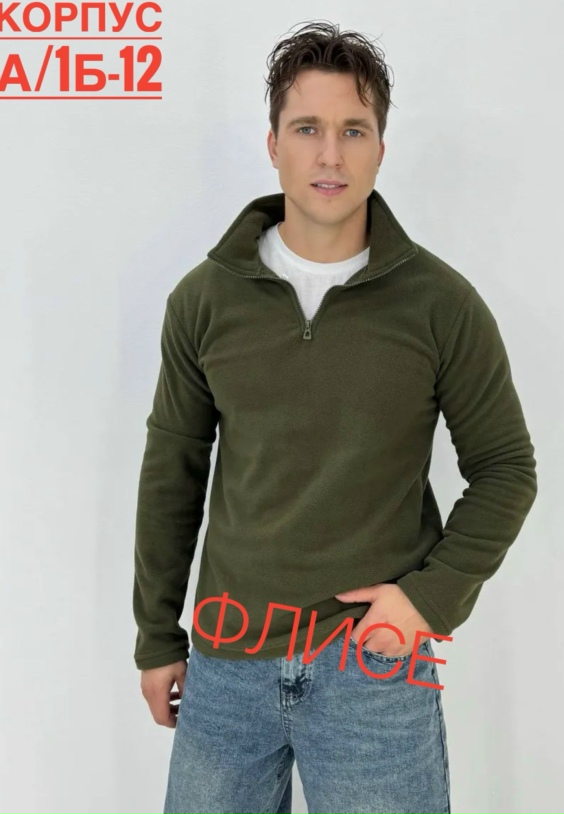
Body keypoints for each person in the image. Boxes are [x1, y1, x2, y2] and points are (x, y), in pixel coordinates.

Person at [133, 19, 538, 814]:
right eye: (307, 129)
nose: (330, 154)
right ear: (273, 144)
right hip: (227, 662)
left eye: (353, 130)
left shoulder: (441, 304)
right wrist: (156, 636)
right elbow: (171, 474)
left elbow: (506, 469)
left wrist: (427, 600)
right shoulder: (204, 300)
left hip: (372, 670)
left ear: (380, 148)